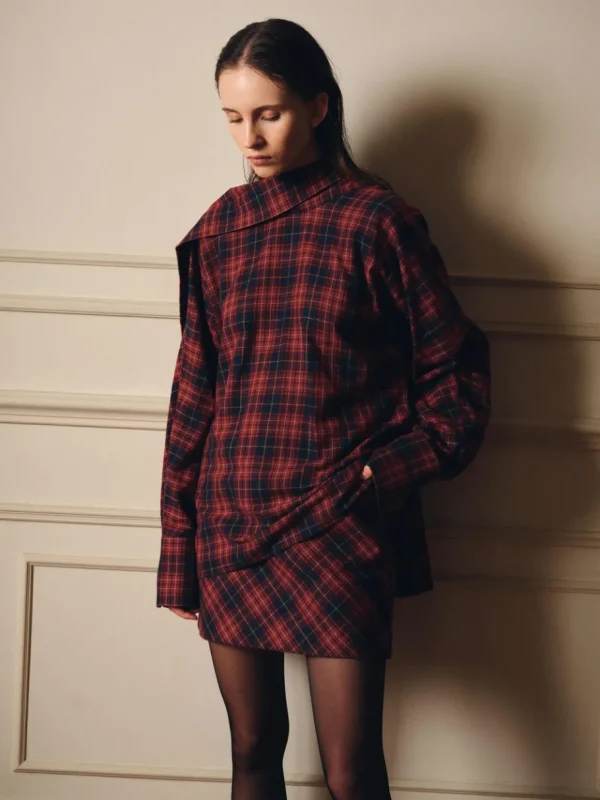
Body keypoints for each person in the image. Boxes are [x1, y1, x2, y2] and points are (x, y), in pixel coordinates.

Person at [156, 17, 491, 800]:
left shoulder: (377, 223)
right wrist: (180, 545)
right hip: (233, 521)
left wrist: (377, 476)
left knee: (351, 769)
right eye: (233, 118)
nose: (250, 138)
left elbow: (459, 378)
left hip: (338, 522)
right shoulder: (220, 230)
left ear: (318, 106)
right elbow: (194, 394)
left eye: (268, 114)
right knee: (252, 749)